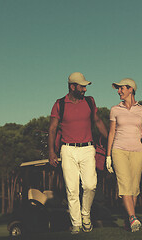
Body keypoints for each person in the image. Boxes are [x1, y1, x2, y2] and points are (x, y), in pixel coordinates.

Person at [48, 72, 108, 234]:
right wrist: (52, 152)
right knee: (72, 189)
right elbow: (52, 128)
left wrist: (109, 139)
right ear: (72, 86)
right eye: (81, 86)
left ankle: (85, 214)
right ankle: (76, 223)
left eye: (85, 86)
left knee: (90, 185)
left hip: (88, 149)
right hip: (67, 150)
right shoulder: (60, 104)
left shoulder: (89, 101)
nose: (84, 89)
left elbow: (97, 121)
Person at [106, 78, 142, 232]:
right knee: (124, 184)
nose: (119, 91)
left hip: (138, 151)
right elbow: (111, 132)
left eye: (121, 88)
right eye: (118, 89)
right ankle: (133, 217)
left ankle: (129, 219)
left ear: (130, 89)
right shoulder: (115, 109)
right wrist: (108, 156)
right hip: (119, 150)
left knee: (134, 188)